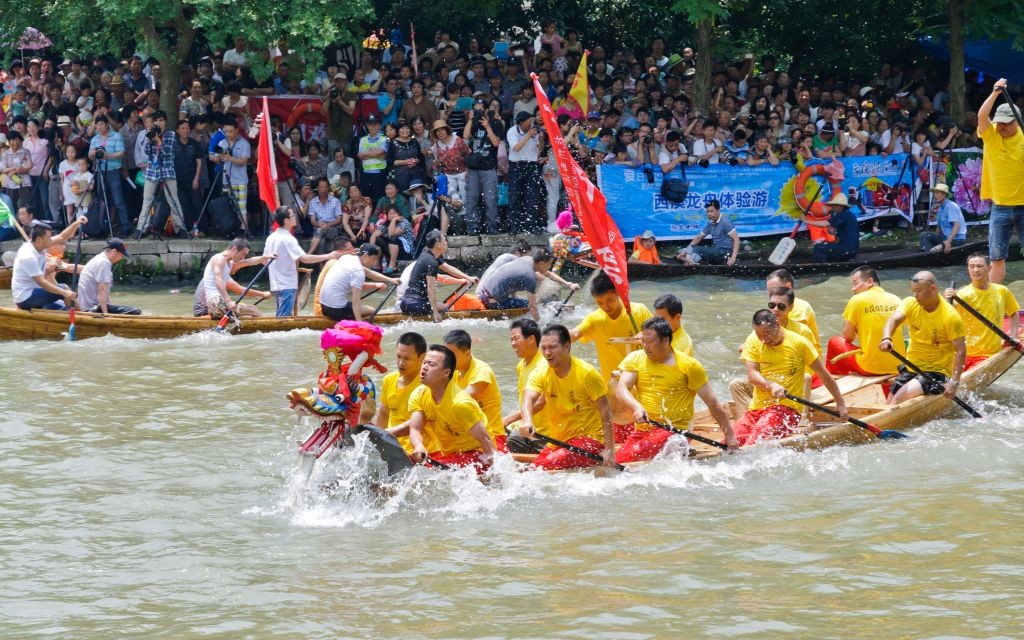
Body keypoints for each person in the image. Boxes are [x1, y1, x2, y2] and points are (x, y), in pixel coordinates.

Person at [615, 318, 738, 462]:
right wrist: (637, 407)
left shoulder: (689, 366)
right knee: (618, 461)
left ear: (666, 341)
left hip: (675, 431)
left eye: (650, 341)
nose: (645, 346)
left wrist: (730, 436)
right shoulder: (635, 358)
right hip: (643, 430)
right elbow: (621, 389)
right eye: (643, 341)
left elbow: (713, 403)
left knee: (625, 461)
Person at [733, 309, 847, 446]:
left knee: (753, 443)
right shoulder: (753, 340)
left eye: (766, 334)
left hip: (787, 409)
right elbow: (752, 375)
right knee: (730, 443)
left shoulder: (800, 343)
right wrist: (772, 385)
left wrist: (840, 403)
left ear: (776, 324)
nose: (763, 340)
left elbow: (824, 375)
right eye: (759, 335)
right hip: (757, 408)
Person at [518, 324, 617, 470]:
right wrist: (527, 421)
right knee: (532, 468)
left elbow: (606, 411)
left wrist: (610, 450)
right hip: (559, 441)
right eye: (543, 348)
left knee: (536, 470)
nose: (547, 353)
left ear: (566, 346)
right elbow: (529, 398)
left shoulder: (587, 373)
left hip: (591, 440)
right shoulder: (541, 372)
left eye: (552, 347)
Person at [389, 344, 497, 470]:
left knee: (417, 471)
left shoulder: (460, 403)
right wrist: (419, 446)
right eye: (424, 363)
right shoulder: (419, 394)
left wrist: (494, 476)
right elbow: (415, 428)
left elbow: (487, 442)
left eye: (432, 365)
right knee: (403, 467)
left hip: (476, 456)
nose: (424, 367)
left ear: (446, 372)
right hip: (451, 456)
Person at [879, 271, 967, 405]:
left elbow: (961, 351)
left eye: (918, 291)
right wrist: (886, 338)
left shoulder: (950, 317)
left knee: (898, 400)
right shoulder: (910, 303)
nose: (915, 295)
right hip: (911, 367)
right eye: (913, 291)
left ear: (933, 289)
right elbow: (894, 320)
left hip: (936, 372)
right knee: (889, 402)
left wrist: (954, 383)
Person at [977, 78, 1024, 283]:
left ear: (1017, 121)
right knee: (996, 258)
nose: (1002, 127)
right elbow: (981, 115)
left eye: (1007, 123)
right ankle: (994, 304)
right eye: (1000, 123)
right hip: (1000, 206)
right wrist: (995, 92)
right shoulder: (991, 135)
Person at [570, 271, 653, 382]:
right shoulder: (594, 319)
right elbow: (574, 334)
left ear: (617, 292)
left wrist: (646, 335)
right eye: (600, 303)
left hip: (641, 378)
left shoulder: (638, 310)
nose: (606, 307)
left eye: (609, 300)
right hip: (612, 381)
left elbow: (661, 335)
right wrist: (553, 339)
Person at [944, 253, 1020, 369]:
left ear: (989, 268)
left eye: (979, 266)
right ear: (968, 269)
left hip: (991, 354)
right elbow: (946, 314)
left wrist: (1014, 337)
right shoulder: (962, 295)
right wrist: (948, 298)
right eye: (972, 266)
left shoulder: (1002, 291)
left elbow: (1014, 313)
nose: (975, 270)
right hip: (965, 354)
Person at [262, 207, 342, 316]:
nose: (295, 217)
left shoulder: (271, 237)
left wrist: (280, 267)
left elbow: (264, 261)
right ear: (286, 221)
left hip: (275, 283)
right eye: (293, 216)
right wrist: (329, 255)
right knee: (283, 319)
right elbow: (304, 258)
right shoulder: (288, 239)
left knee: (283, 315)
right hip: (287, 284)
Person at [826, 266, 904, 376]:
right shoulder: (896, 299)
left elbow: (848, 337)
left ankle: (835, 382)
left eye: (855, 283)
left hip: (870, 367)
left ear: (870, 281)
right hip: (899, 365)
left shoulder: (857, 300)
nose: (853, 289)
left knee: (834, 341)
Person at [443, 329, 506, 450]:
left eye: (452, 356)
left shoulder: (481, 371)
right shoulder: (454, 373)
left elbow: (462, 399)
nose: (448, 360)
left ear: (467, 353)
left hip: (492, 436)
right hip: (470, 437)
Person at [475, 248, 579, 320]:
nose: (550, 267)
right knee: (535, 305)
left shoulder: (527, 259)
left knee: (529, 302)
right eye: (549, 264)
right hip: (490, 301)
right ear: (541, 264)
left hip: (485, 292)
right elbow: (533, 308)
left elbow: (549, 274)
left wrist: (568, 284)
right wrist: (539, 325)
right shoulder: (529, 277)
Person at [398, 230, 477, 321]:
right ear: (438, 244)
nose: (447, 243)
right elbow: (431, 289)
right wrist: (435, 313)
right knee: (447, 308)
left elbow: (448, 268)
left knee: (441, 305)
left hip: (406, 303)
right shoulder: (431, 262)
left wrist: (468, 278)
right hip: (416, 304)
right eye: (444, 240)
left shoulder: (426, 252)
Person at [11, 218, 88, 310]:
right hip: (25, 297)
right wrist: (64, 293)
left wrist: (77, 223)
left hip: (36, 291)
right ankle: (81, 318)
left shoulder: (39, 245)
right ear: (39, 239)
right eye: (48, 237)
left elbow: (62, 237)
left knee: (63, 306)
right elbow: (41, 282)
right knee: (65, 288)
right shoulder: (28, 256)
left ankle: (74, 314)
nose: (50, 240)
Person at [137, 111, 188, 238]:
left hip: (167, 170)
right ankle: (141, 228)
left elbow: (168, 152)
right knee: (147, 200)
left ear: (165, 122)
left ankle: (180, 228)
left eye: (161, 120)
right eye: (156, 121)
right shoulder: (150, 134)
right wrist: (150, 139)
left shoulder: (171, 134)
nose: (158, 123)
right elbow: (146, 152)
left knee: (174, 200)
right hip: (151, 171)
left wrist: (158, 140)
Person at [373, 331, 427, 453]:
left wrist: (386, 434)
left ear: (422, 358)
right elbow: (383, 414)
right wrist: (378, 443)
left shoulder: (427, 384)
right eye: (398, 357)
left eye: (407, 358)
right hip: (392, 446)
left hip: (416, 450)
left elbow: (419, 422)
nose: (401, 363)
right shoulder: (389, 379)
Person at [193, 238, 273, 318]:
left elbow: (250, 261)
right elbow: (218, 280)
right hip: (215, 301)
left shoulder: (230, 263)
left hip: (219, 302)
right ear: (234, 249)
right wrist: (228, 301)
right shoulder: (219, 258)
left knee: (249, 316)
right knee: (254, 309)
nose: (243, 258)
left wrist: (267, 257)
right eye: (243, 254)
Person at [502, 318, 549, 453]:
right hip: (524, 426)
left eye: (516, 339)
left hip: (544, 432)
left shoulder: (545, 364)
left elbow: (540, 403)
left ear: (531, 339)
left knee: (512, 440)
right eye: (511, 340)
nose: (513, 343)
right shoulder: (520, 365)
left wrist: (509, 419)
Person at [318, 243, 398, 321]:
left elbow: (369, 273)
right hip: (337, 311)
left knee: (360, 307)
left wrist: (390, 280)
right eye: (373, 259)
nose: (373, 263)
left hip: (323, 308)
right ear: (366, 255)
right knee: (372, 310)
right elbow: (355, 300)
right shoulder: (358, 271)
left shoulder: (346, 258)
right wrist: (359, 323)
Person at [463, 99, 504, 235]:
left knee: (490, 199)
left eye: (481, 109)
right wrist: (470, 120)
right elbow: (465, 136)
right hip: (474, 168)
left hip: (489, 168)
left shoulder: (496, 123)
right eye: (476, 109)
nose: (478, 111)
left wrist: (487, 127)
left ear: (486, 110)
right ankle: (472, 226)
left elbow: (496, 143)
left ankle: (491, 226)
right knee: (472, 198)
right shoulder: (473, 123)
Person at [87, 114, 132, 236]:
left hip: (114, 171)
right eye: (97, 125)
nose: (99, 127)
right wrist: (92, 155)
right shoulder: (95, 139)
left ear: (107, 125)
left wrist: (108, 156)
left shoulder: (116, 136)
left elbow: (121, 153)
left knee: (118, 200)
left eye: (102, 124)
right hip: (100, 171)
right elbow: (90, 156)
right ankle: (103, 227)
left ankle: (126, 227)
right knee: (103, 200)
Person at [76, 238, 140, 315]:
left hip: (86, 306)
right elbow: (102, 290)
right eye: (121, 255)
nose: (121, 258)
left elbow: (104, 292)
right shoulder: (104, 263)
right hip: (92, 309)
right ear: (114, 252)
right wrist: (106, 314)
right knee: (135, 311)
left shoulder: (98, 258)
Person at [210, 119, 251, 228]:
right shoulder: (222, 143)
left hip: (240, 181)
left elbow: (243, 161)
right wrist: (217, 158)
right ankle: (231, 229)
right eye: (226, 131)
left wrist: (230, 158)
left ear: (236, 130)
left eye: (230, 131)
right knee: (228, 206)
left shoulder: (244, 143)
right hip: (226, 180)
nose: (228, 134)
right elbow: (217, 160)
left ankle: (243, 230)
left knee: (241, 207)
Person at [766, 268, 820, 352]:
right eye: (770, 292)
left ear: (789, 287)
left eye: (776, 290)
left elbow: (793, 340)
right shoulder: (774, 307)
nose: (772, 295)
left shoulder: (800, 307)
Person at [506, 111, 542, 233]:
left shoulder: (534, 131)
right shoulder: (512, 131)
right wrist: (528, 135)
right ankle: (514, 225)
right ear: (521, 122)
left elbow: (539, 150)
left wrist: (540, 140)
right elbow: (516, 148)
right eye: (528, 121)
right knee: (515, 196)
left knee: (532, 196)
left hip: (531, 165)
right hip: (516, 165)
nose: (530, 123)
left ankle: (531, 224)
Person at [676, 199, 740, 266]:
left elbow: (737, 240)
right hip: (716, 250)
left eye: (711, 211)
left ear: (718, 210)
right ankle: (689, 261)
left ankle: (689, 263)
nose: (709, 214)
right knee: (688, 248)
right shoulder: (711, 222)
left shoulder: (725, 222)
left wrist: (733, 258)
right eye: (707, 212)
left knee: (697, 249)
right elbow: (699, 237)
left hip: (726, 252)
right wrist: (686, 250)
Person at [800, 192, 859, 263]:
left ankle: (821, 267)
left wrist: (806, 221)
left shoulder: (843, 215)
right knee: (824, 244)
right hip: (850, 249)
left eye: (834, 206)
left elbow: (824, 224)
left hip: (848, 250)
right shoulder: (846, 214)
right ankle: (830, 261)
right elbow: (833, 232)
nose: (832, 208)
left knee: (818, 248)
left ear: (840, 206)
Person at [919, 183, 967, 253]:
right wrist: (935, 239)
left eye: (937, 193)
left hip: (956, 239)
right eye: (935, 193)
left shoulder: (950, 206)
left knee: (924, 235)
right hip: (946, 237)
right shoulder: (941, 208)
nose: (935, 195)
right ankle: (928, 254)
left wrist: (948, 241)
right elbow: (939, 227)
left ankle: (928, 256)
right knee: (926, 236)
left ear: (944, 194)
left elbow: (956, 225)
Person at [306, 177, 344, 255]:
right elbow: (313, 220)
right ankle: (321, 265)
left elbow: (338, 219)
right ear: (317, 188)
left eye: (326, 187)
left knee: (320, 231)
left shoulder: (335, 201)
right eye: (321, 187)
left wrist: (327, 224)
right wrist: (319, 224)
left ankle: (309, 253)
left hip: (333, 228)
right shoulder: (313, 202)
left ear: (329, 188)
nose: (323, 189)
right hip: (319, 228)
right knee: (321, 239)